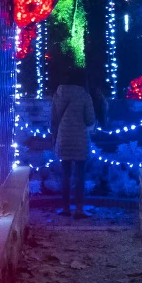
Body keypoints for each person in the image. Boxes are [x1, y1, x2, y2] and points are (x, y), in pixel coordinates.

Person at [51, 67, 95, 218]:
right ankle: (79, 209)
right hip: (80, 139)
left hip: (63, 138)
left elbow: (54, 120)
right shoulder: (84, 96)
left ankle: (65, 208)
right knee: (80, 175)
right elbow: (90, 120)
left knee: (65, 174)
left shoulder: (57, 95)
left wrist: (54, 138)